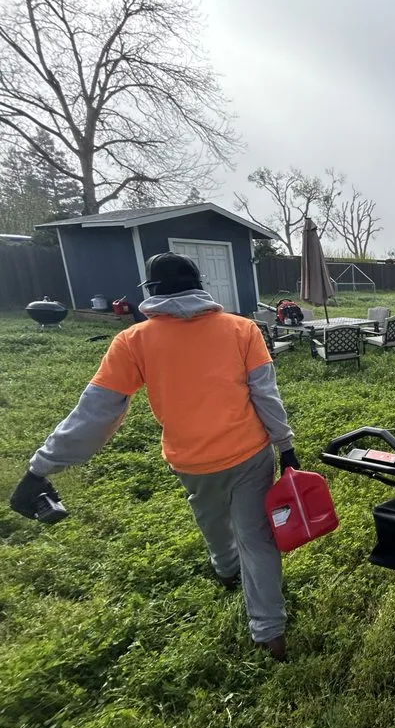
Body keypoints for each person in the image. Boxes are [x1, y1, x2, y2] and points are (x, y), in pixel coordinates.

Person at [8, 252, 296, 661]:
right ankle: (271, 634)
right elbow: (265, 395)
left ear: (152, 292)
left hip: (191, 462)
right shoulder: (241, 329)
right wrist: (285, 446)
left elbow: (96, 414)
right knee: (258, 540)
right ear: (201, 287)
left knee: (214, 525)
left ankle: (226, 570)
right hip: (250, 454)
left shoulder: (133, 341)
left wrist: (41, 467)